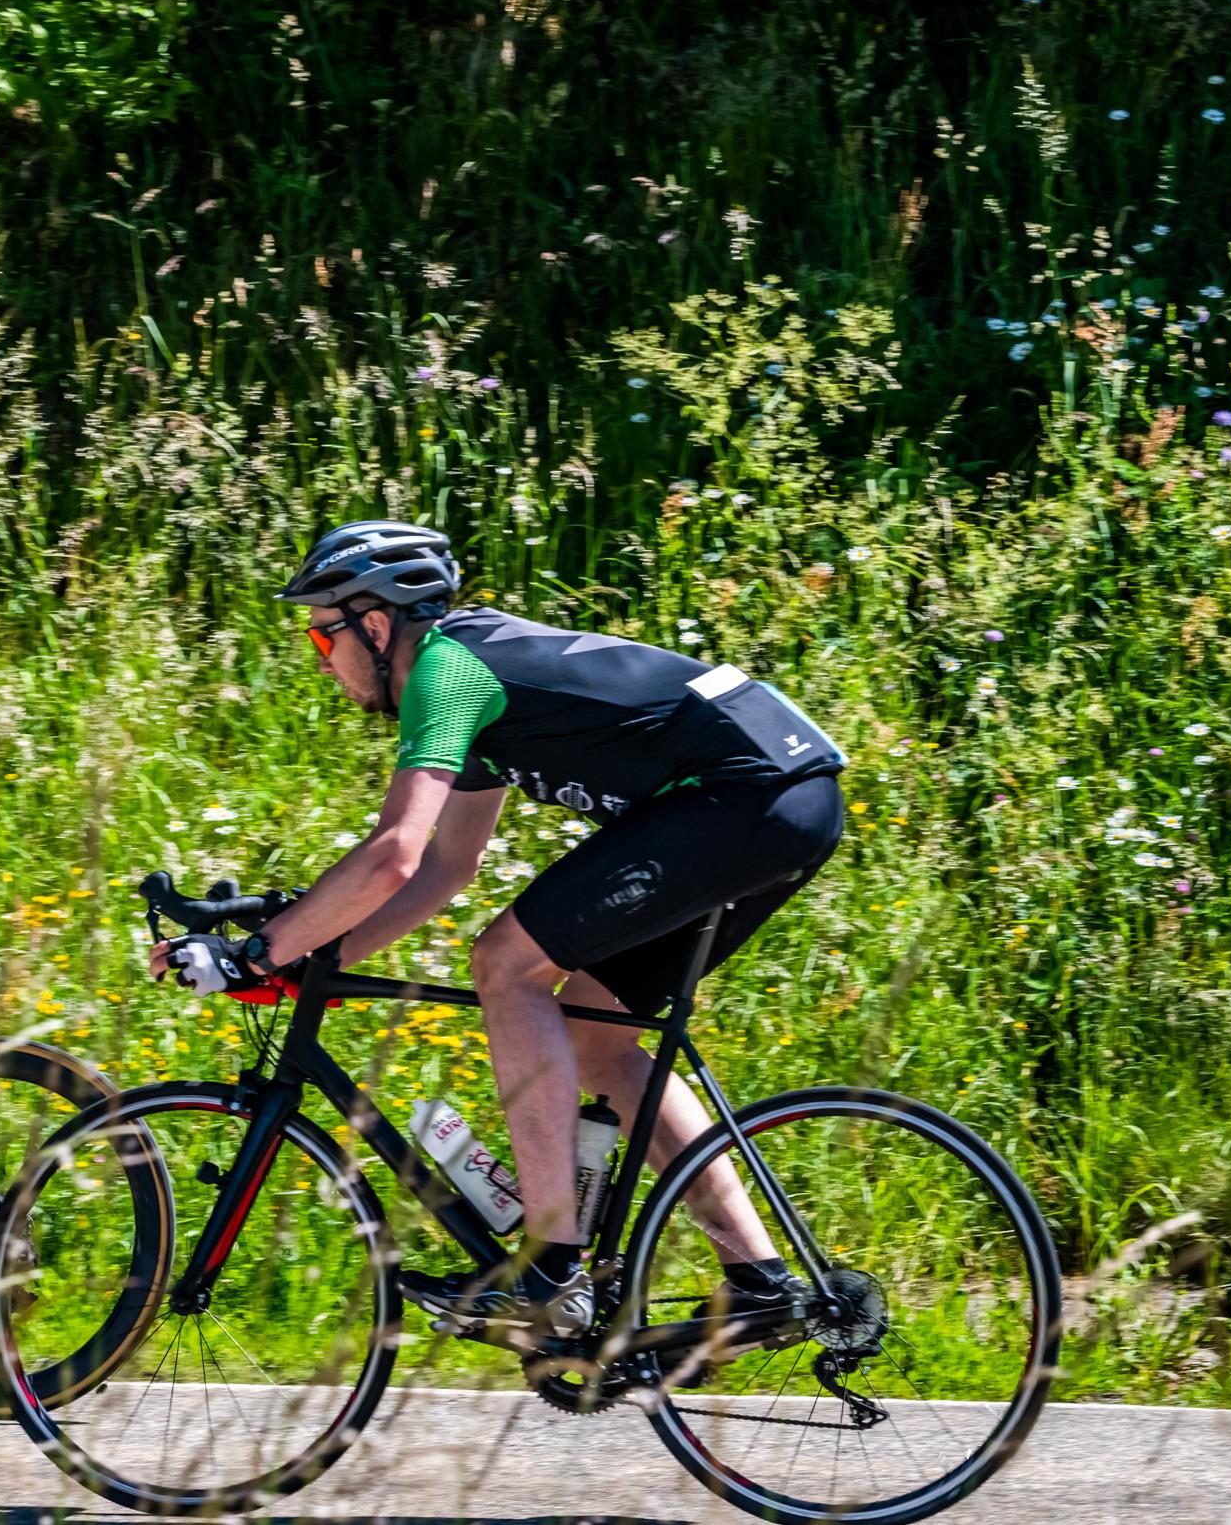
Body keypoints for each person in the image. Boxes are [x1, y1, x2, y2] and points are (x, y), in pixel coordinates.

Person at [150, 523, 844, 1337]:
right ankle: (760, 1278)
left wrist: (260, 952)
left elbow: (393, 852)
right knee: (597, 1035)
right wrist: (311, 960)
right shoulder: (472, 670)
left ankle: (548, 1269)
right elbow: (448, 865)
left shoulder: (445, 672)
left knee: (506, 964)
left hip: (746, 796)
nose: (321, 660)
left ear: (374, 624)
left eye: (322, 636)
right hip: (782, 798)